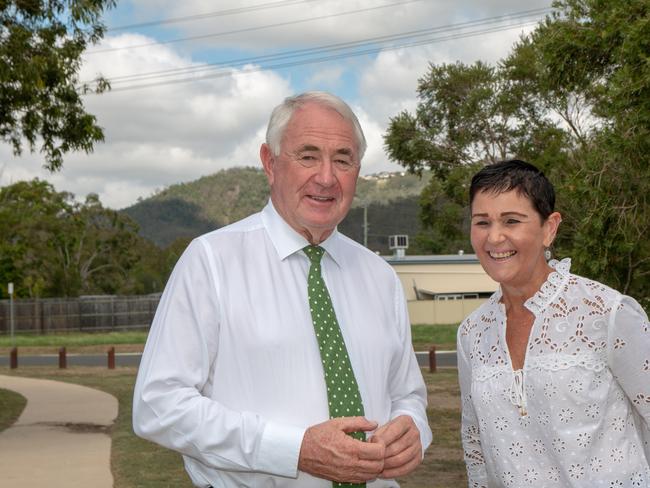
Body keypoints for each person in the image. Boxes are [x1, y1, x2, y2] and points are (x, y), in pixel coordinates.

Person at [132, 91, 432, 487]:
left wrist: (413, 430)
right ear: (270, 164)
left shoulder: (380, 276)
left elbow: (407, 393)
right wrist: (294, 449)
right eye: (307, 156)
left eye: (342, 159)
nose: (326, 177)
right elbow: (158, 405)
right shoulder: (211, 261)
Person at [457, 159, 650, 487]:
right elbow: (475, 447)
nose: (495, 237)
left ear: (549, 228)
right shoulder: (472, 333)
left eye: (512, 220)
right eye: (482, 222)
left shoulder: (608, 313)